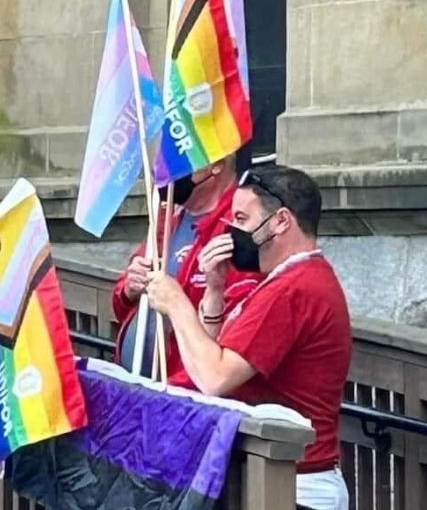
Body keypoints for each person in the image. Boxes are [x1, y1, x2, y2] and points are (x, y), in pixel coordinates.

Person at [145, 165, 352, 510]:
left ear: (281, 221)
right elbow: (209, 359)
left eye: (241, 219)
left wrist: (177, 303)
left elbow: (214, 378)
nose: (231, 230)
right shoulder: (283, 280)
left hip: (291, 486)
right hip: (272, 476)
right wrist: (214, 291)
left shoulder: (294, 289)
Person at [113, 155, 262, 383]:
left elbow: (233, 332)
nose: (168, 167)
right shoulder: (167, 217)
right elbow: (121, 304)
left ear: (215, 166)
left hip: (179, 392)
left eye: (183, 157)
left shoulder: (236, 228)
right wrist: (129, 289)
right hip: (138, 386)